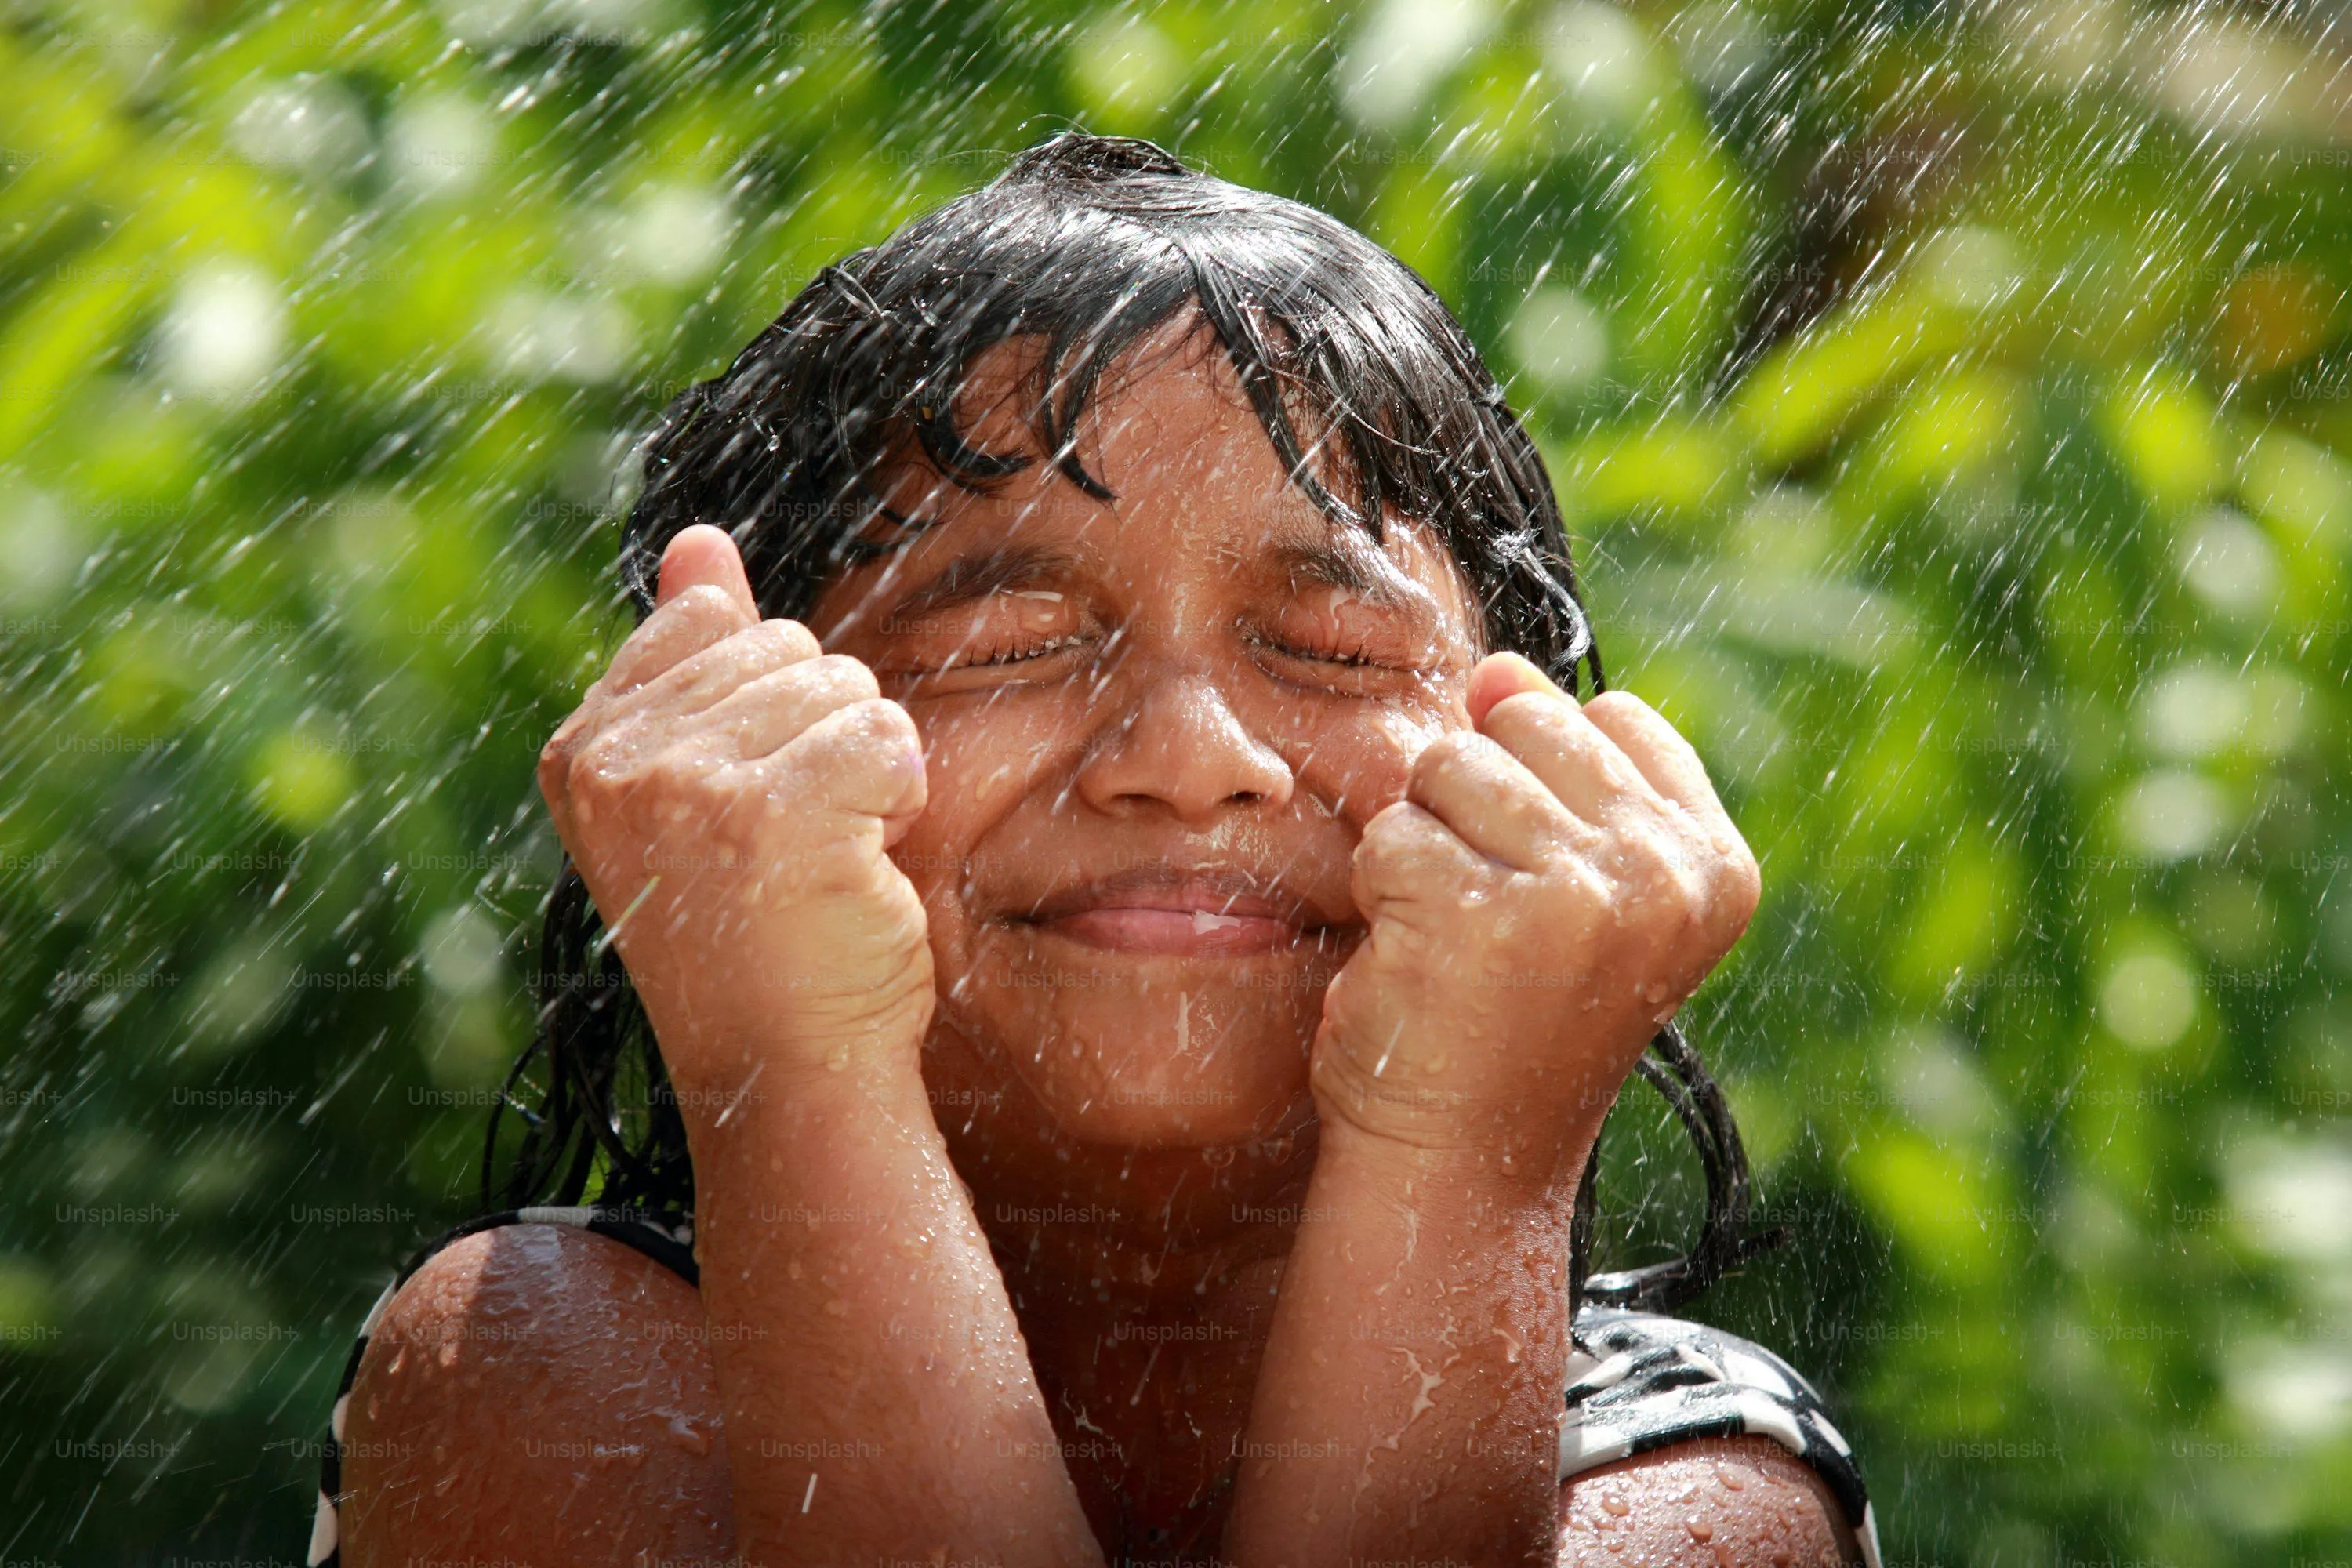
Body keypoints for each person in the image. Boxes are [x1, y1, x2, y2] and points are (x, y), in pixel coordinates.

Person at [310, 132, 1882, 1568]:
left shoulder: (1701, 1490)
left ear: (1525, 750)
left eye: (1333, 650)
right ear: (741, 736)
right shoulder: (534, 1369)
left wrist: (1470, 1158)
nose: (1192, 758)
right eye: (1007, 640)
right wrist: (792, 1059)